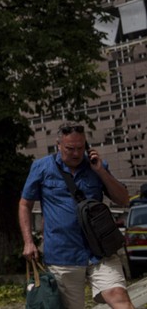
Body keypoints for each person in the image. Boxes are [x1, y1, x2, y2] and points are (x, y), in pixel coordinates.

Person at [19, 121, 134, 309]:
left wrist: (101, 172)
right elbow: (25, 204)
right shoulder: (41, 168)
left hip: (101, 251)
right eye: (70, 148)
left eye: (80, 148)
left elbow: (123, 200)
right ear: (58, 145)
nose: (76, 153)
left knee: (119, 297)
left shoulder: (96, 166)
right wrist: (28, 241)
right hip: (63, 255)